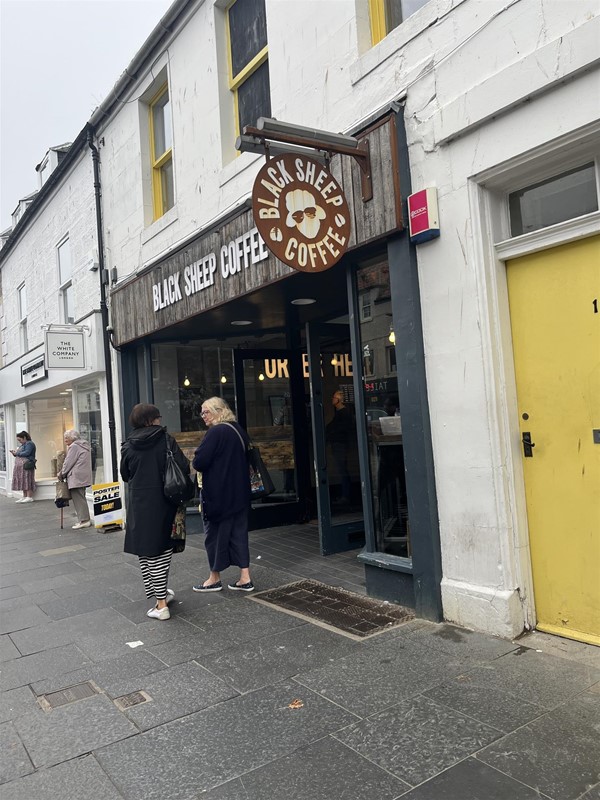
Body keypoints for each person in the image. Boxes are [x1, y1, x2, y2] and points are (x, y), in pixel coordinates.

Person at [120, 403, 191, 621]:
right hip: (165, 500)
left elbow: (125, 474)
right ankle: (161, 603)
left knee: (146, 550)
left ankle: (160, 598)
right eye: (158, 416)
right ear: (152, 419)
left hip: (139, 502)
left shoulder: (128, 445)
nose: (160, 419)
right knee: (162, 550)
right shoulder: (165, 440)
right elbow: (182, 466)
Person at [192, 396, 253, 593]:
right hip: (240, 493)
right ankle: (245, 577)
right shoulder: (238, 430)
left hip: (219, 494)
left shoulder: (216, 432)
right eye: (202, 413)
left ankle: (214, 578)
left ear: (218, 411)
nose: (203, 416)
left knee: (214, 536)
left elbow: (199, 462)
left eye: (206, 412)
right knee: (238, 534)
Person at [58, 430, 93, 528]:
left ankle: (84, 520)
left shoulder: (74, 447)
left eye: (66, 438)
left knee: (78, 499)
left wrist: (61, 473)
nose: (65, 440)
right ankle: (83, 519)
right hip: (83, 476)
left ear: (72, 438)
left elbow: (68, 462)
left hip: (76, 477)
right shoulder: (84, 445)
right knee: (81, 498)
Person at [325, 390, 354, 506]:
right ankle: (345, 494)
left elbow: (340, 428)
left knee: (342, 470)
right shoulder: (339, 413)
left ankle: (346, 495)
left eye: (334, 397)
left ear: (339, 400)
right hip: (339, 443)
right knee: (342, 470)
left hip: (340, 444)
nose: (332, 399)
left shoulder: (343, 413)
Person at [10, 431, 36, 503]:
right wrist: (14, 453)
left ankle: (29, 496)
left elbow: (27, 453)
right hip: (22, 466)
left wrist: (17, 453)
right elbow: (21, 453)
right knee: (23, 480)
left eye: (20, 440)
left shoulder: (30, 444)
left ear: (24, 437)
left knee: (27, 480)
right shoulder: (24, 444)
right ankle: (24, 496)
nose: (19, 441)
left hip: (27, 465)